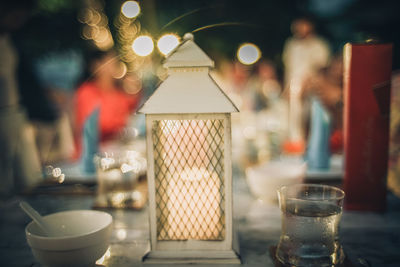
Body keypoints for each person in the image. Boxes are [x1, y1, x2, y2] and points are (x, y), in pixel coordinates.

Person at [0, 0, 42, 197]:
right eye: (17, 15)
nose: (20, 21)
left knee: (26, 171)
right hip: (4, 113)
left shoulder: (10, 40)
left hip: (15, 110)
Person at [74, 49, 141, 158]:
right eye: (110, 62)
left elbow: (132, 111)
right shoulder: (87, 92)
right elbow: (93, 127)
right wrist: (120, 127)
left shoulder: (117, 93)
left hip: (115, 149)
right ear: (96, 66)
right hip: (91, 154)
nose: (114, 65)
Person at [282, 17, 331, 154]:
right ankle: (297, 144)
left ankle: (314, 147)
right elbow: (289, 68)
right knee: (294, 115)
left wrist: (309, 83)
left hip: (313, 86)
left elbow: (322, 68)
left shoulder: (319, 45)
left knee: (312, 116)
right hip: (294, 85)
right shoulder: (291, 45)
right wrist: (287, 87)